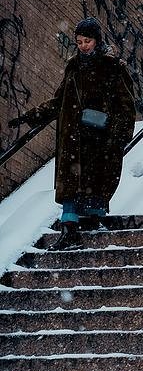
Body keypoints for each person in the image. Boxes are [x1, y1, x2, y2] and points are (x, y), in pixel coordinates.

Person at [9, 17, 135, 249]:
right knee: (70, 183)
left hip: (100, 137)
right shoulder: (73, 67)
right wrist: (32, 116)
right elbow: (60, 100)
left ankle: (96, 221)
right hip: (74, 136)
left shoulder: (113, 67)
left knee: (97, 179)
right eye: (79, 41)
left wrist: (117, 133)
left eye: (88, 40)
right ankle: (69, 231)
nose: (84, 45)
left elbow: (126, 106)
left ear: (97, 40)